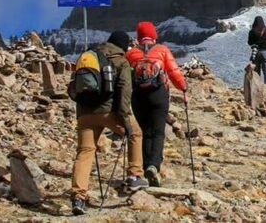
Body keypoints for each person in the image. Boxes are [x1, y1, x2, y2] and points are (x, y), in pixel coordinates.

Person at [70, 31, 146, 216]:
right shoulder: (121, 61)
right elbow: (124, 92)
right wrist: (125, 120)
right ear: (123, 46)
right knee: (136, 133)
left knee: (85, 151)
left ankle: (79, 197)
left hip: (85, 114)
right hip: (108, 112)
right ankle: (135, 175)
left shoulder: (90, 56)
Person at [126, 21, 187, 188]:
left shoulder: (131, 54)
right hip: (159, 95)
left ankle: (145, 167)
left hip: (138, 96)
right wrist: (183, 88)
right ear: (154, 35)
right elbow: (174, 72)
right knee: (158, 132)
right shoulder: (162, 50)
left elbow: (124, 76)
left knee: (145, 132)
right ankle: (154, 166)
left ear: (139, 36)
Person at [247, 15, 266, 85]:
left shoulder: (252, 31)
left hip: (256, 53)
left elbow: (249, 42)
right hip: (265, 52)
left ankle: (257, 86)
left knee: (256, 71)